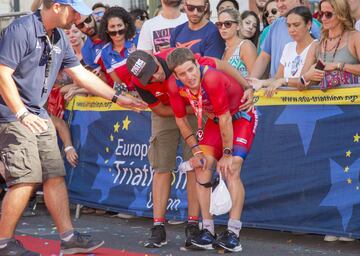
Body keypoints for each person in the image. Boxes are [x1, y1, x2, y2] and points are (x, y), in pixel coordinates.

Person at [0, 1, 147, 255]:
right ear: (57, 6)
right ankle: (3, 242)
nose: (79, 18)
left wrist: (116, 97)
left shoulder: (58, 37)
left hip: (37, 114)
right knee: (25, 179)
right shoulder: (21, 29)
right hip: (12, 115)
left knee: (55, 175)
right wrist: (21, 113)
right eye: (75, 10)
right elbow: (2, 73)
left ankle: (68, 239)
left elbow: (81, 75)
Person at [126, 48, 253, 249]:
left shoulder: (189, 64)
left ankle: (226, 231)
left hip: (231, 115)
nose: (156, 76)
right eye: (149, 77)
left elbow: (222, 69)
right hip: (198, 113)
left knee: (230, 168)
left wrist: (248, 86)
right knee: (189, 165)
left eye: (157, 70)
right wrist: (196, 148)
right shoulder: (163, 84)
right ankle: (200, 230)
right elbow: (168, 113)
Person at [166, 47, 257, 252]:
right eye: (182, 73)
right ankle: (207, 230)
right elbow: (180, 120)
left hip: (240, 118)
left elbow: (226, 117)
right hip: (216, 123)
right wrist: (196, 151)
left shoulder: (212, 78)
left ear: (197, 64)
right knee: (202, 167)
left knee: (232, 167)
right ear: (175, 76)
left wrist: (226, 154)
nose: (189, 77)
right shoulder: (173, 86)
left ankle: (233, 233)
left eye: (191, 70)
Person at [251, 6, 318, 96]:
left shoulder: (316, 45)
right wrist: (261, 82)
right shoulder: (288, 47)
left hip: (305, 103)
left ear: (309, 24)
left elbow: (303, 81)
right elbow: (277, 78)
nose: (291, 30)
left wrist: (283, 81)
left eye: (296, 25)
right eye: (289, 25)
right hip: (286, 102)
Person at [303, 0, 360, 91]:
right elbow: (301, 83)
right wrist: (308, 76)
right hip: (323, 102)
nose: (323, 19)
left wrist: (338, 66)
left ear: (341, 14)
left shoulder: (355, 37)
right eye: (321, 14)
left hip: (352, 103)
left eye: (328, 14)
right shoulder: (317, 45)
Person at [99, 6, 137, 87]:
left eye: (119, 25)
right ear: (106, 30)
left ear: (126, 26)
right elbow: (119, 83)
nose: (116, 30)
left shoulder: (137, 40)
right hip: (129, 95)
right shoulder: (105, 52)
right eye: (112, 26)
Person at [217, 8, 257, 77]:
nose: (223, 27)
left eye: (227, 24)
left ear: (238, 26)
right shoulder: (223, 49)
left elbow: (255, 78)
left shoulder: (245, 46)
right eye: (219, 24)